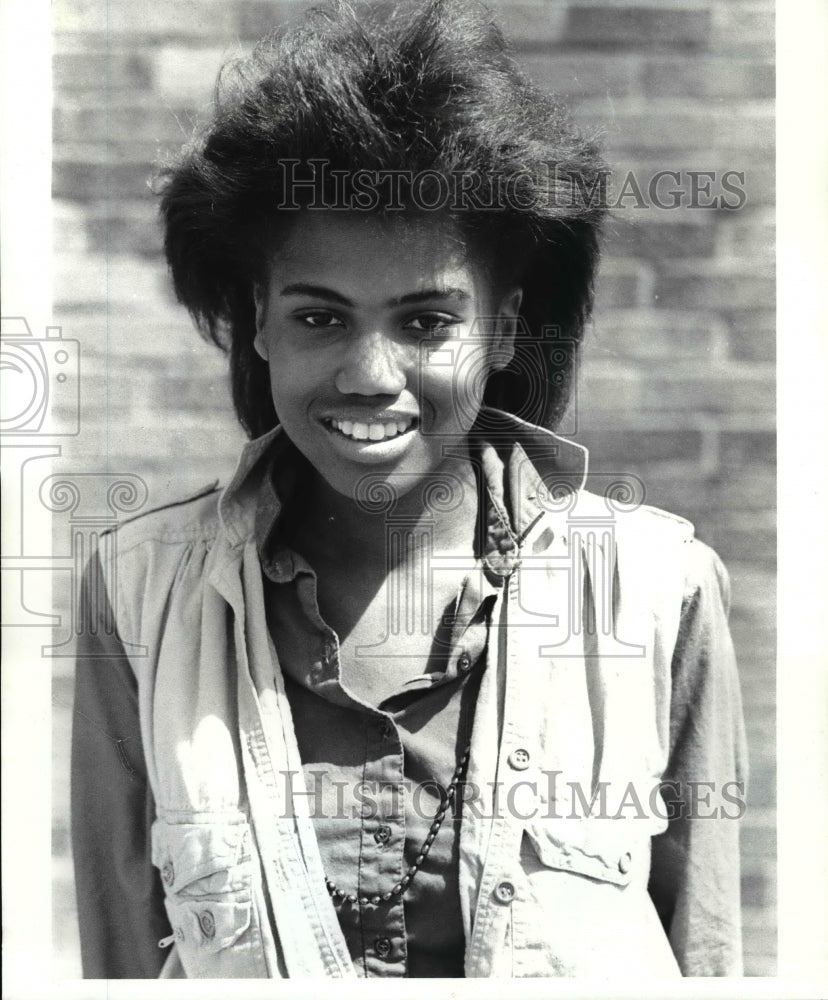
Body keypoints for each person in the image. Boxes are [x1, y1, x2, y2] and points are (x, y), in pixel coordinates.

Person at [71, 0, 748, 979]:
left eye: (427, 322)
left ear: (506, 327)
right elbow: (119, 959)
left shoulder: (661, 589)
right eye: (319, 318)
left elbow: (710, 954)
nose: (369, 373)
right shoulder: (137, 595)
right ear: (260, 321)